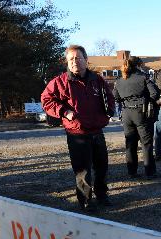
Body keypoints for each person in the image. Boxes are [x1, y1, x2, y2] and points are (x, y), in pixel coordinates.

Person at [41, 44, 115, 212]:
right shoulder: (59, 82)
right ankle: (85, 201)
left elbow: (109, 97)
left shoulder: (97, 79)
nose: (74, 61)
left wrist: (109, 112)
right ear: (67, 62)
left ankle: (102, 195)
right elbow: (46, 100)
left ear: (86, 60)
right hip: (77, 134)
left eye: (78, 58)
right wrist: (63, 111)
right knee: (83, 171)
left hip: (97, 131)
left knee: (102, 166)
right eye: (71, 59)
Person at [113, 57, 160, 178]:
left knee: (130, 143)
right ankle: (150, 172)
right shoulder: (143, 77)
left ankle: (132, 171)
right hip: (141, 112)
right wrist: (147, 101)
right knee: (146, 143)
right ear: (138, 65)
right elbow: (155, 93)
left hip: (126, 113)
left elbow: (116, 97)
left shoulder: (119, 80)